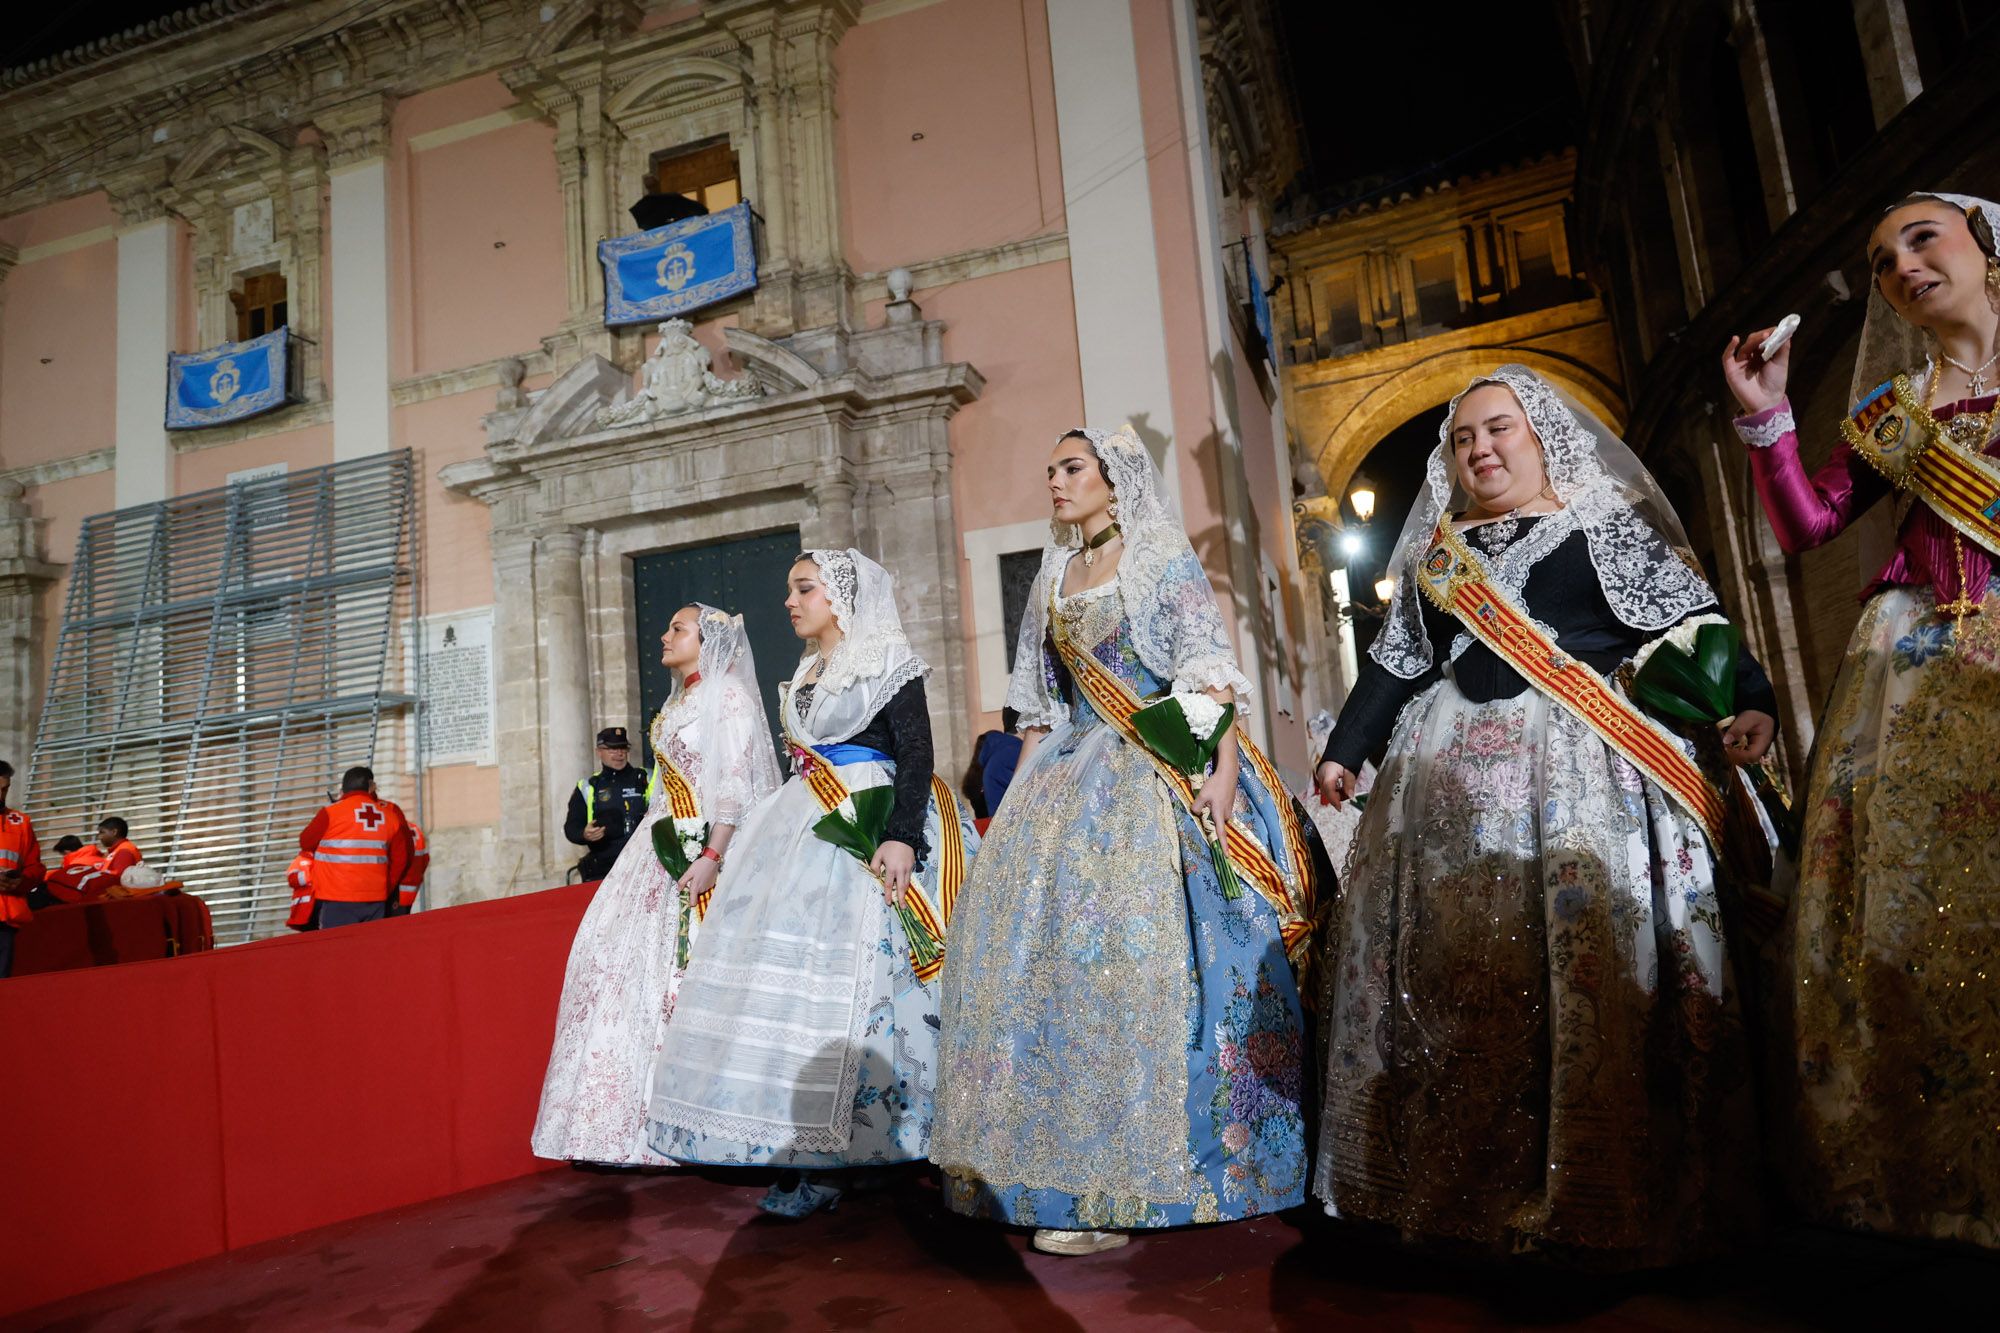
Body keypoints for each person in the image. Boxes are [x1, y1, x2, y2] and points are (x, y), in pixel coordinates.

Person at [1309, 366, 1780, 1265]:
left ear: (1543, 436)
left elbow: (1688, 625)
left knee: (1583, 974)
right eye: (1463, 438)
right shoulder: (1440, 551)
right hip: (1445, 793)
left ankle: (1590, 1187)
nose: (1480, 449)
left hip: (1582, 780)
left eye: (1500, 430)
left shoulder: (1601, 525)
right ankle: (1464, 1186)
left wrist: (1746, 696)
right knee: (1457, 979)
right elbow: (1396, 663)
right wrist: (1346, 747)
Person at [932, 428, 1321, 1257]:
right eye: (1051, 468)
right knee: (1050, 969)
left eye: (1072, 467)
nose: (1055, 480)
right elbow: (1038, 706)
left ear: (1116, 480)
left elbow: (1208, 673)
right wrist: (1011, 813)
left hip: (1153, 772)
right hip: (1068, 777)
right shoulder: (1053, 574)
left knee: (1138, 959)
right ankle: (1060, 1160)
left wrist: (1219, 773)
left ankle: (1150, 1165)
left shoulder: (1157, 559)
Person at [1722, 192, 2000, 1249]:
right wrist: (1764, 417)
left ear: (1982, 243)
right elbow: (1805, 522)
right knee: (1923, 926)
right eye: (1882, 260)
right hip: (1916, 679)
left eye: (1921, 238)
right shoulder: (1895, 407)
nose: (1900, 265)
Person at [646, 550, 981, 1217]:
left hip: (878, 823)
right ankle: (820, 1155)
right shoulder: (805, 673)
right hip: (804, 830)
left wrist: (903, 836)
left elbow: (916, 754)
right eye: (791, 589)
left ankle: (939, 1139)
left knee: (897, 989)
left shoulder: (888, 662)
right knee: (803, 995)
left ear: (841, 598)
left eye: (805, 588)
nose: (791, 601)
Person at [533, 604, 782, 1166]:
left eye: (678, 629)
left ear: (708, 641)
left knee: (683, 974)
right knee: (614, 966)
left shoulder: (729, 698)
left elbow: (735, 785)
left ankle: (700, 1120)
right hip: (658, 842)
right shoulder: (678, 701)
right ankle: (617, 1125)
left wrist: (714, 854)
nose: (664, 636)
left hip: (705, 847)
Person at [298, 767, 412, 929]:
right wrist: (386, 888)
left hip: (337, 897)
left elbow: (305, 842)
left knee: (340, 948)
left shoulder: (330, 813)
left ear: (342, 789)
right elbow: (402, 858)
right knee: (370, 948)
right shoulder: (389, 815)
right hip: (376, 897)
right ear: (370, 787)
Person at [564, 728, 651, 882]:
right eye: (612, 749)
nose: (619, 753)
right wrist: (584, 834)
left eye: (623, 748)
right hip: (603, 870)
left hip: (643, 865)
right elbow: (571, 827)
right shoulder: (587, 786)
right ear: (599, 751)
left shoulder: (647, 778)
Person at [0, 759, 44, 979]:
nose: (1, 795)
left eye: (5, 789)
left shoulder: (21, 822)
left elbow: (35, 866)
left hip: (6, 919)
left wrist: (22, 880)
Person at [43, 818, 142, 904]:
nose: (100, 837)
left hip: (119, 898)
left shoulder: (124, 851)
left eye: (102, 832)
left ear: (114, 832)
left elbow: (118, 879)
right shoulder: (119, 850)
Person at [392, 821, 429, 916]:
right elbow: (425, 859)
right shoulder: (415, 828)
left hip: (394, 894)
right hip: (411, 892)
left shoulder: (393, 827)